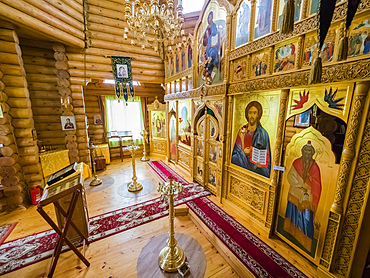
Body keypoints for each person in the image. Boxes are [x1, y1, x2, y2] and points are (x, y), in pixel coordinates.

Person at [284, 141, 322, 252]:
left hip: (307, 196)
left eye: (309, 151)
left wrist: (309, 185)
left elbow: (317, 184)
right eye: (305, 150)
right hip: (295, 192)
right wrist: (301, 185)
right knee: (293, 213)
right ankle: (291, 231)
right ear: (302, 151)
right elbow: (290, 176)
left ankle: (305, 240)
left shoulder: (315, 167)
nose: (307, 152)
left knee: (306, 217)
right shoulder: (296, 162)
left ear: (312, 153)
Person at [231, 101, 271, 178]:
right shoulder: (242, 131)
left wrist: (261, 165)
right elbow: (234, 154)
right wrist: (243, 152)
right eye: (250, 113)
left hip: (256, 171)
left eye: (254, 113)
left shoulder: (263, 134)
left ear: (258, 115)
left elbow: (267, 158)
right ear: (247, 114)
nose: (252, 115)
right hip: (241, 169)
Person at [202, 11, 220, 81]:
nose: (210, 19)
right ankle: (208, 72)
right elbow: (204, 39)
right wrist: (206, 37)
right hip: (209, 45)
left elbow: (215, 33)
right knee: (208, 55)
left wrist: (210, 36)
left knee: (212, 54)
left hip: (214, 44)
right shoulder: (207, 27)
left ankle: (209, 70)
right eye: (209, 18)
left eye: (211, 18)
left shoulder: (214, 25)